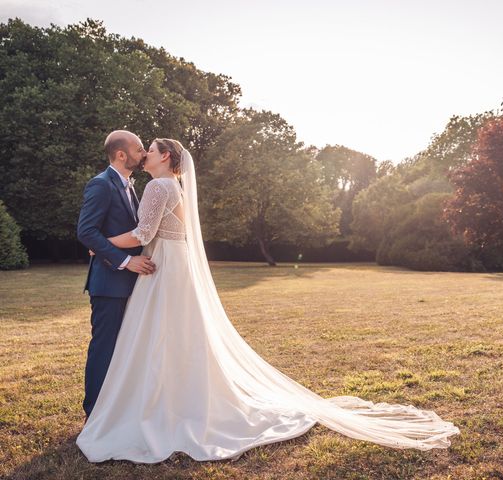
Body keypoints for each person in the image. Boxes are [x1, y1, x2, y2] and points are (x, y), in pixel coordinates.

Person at [76, 138, 460, 463]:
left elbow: (143, 231)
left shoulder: (160, 187)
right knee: (171, 335)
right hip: (170, 263)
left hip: (162, 264)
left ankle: (157, 405)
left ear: (167, 158)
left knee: (159, 334)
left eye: (152, 149)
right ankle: (169, 401)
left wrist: (101, 247)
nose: (146, 152)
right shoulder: (165, 185)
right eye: (142, 148)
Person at [76, 130, 156, 422]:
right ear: (121, 155)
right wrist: (125, 260)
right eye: (138, 149)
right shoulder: (101, 185)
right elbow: (86, 231)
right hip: (109, 284)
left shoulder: (130, 186)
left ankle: (118, 408)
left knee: (125, 348)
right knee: (104, 347)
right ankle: (94, 414)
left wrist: (109, 246)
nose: (143, 153)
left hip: (130, 284)